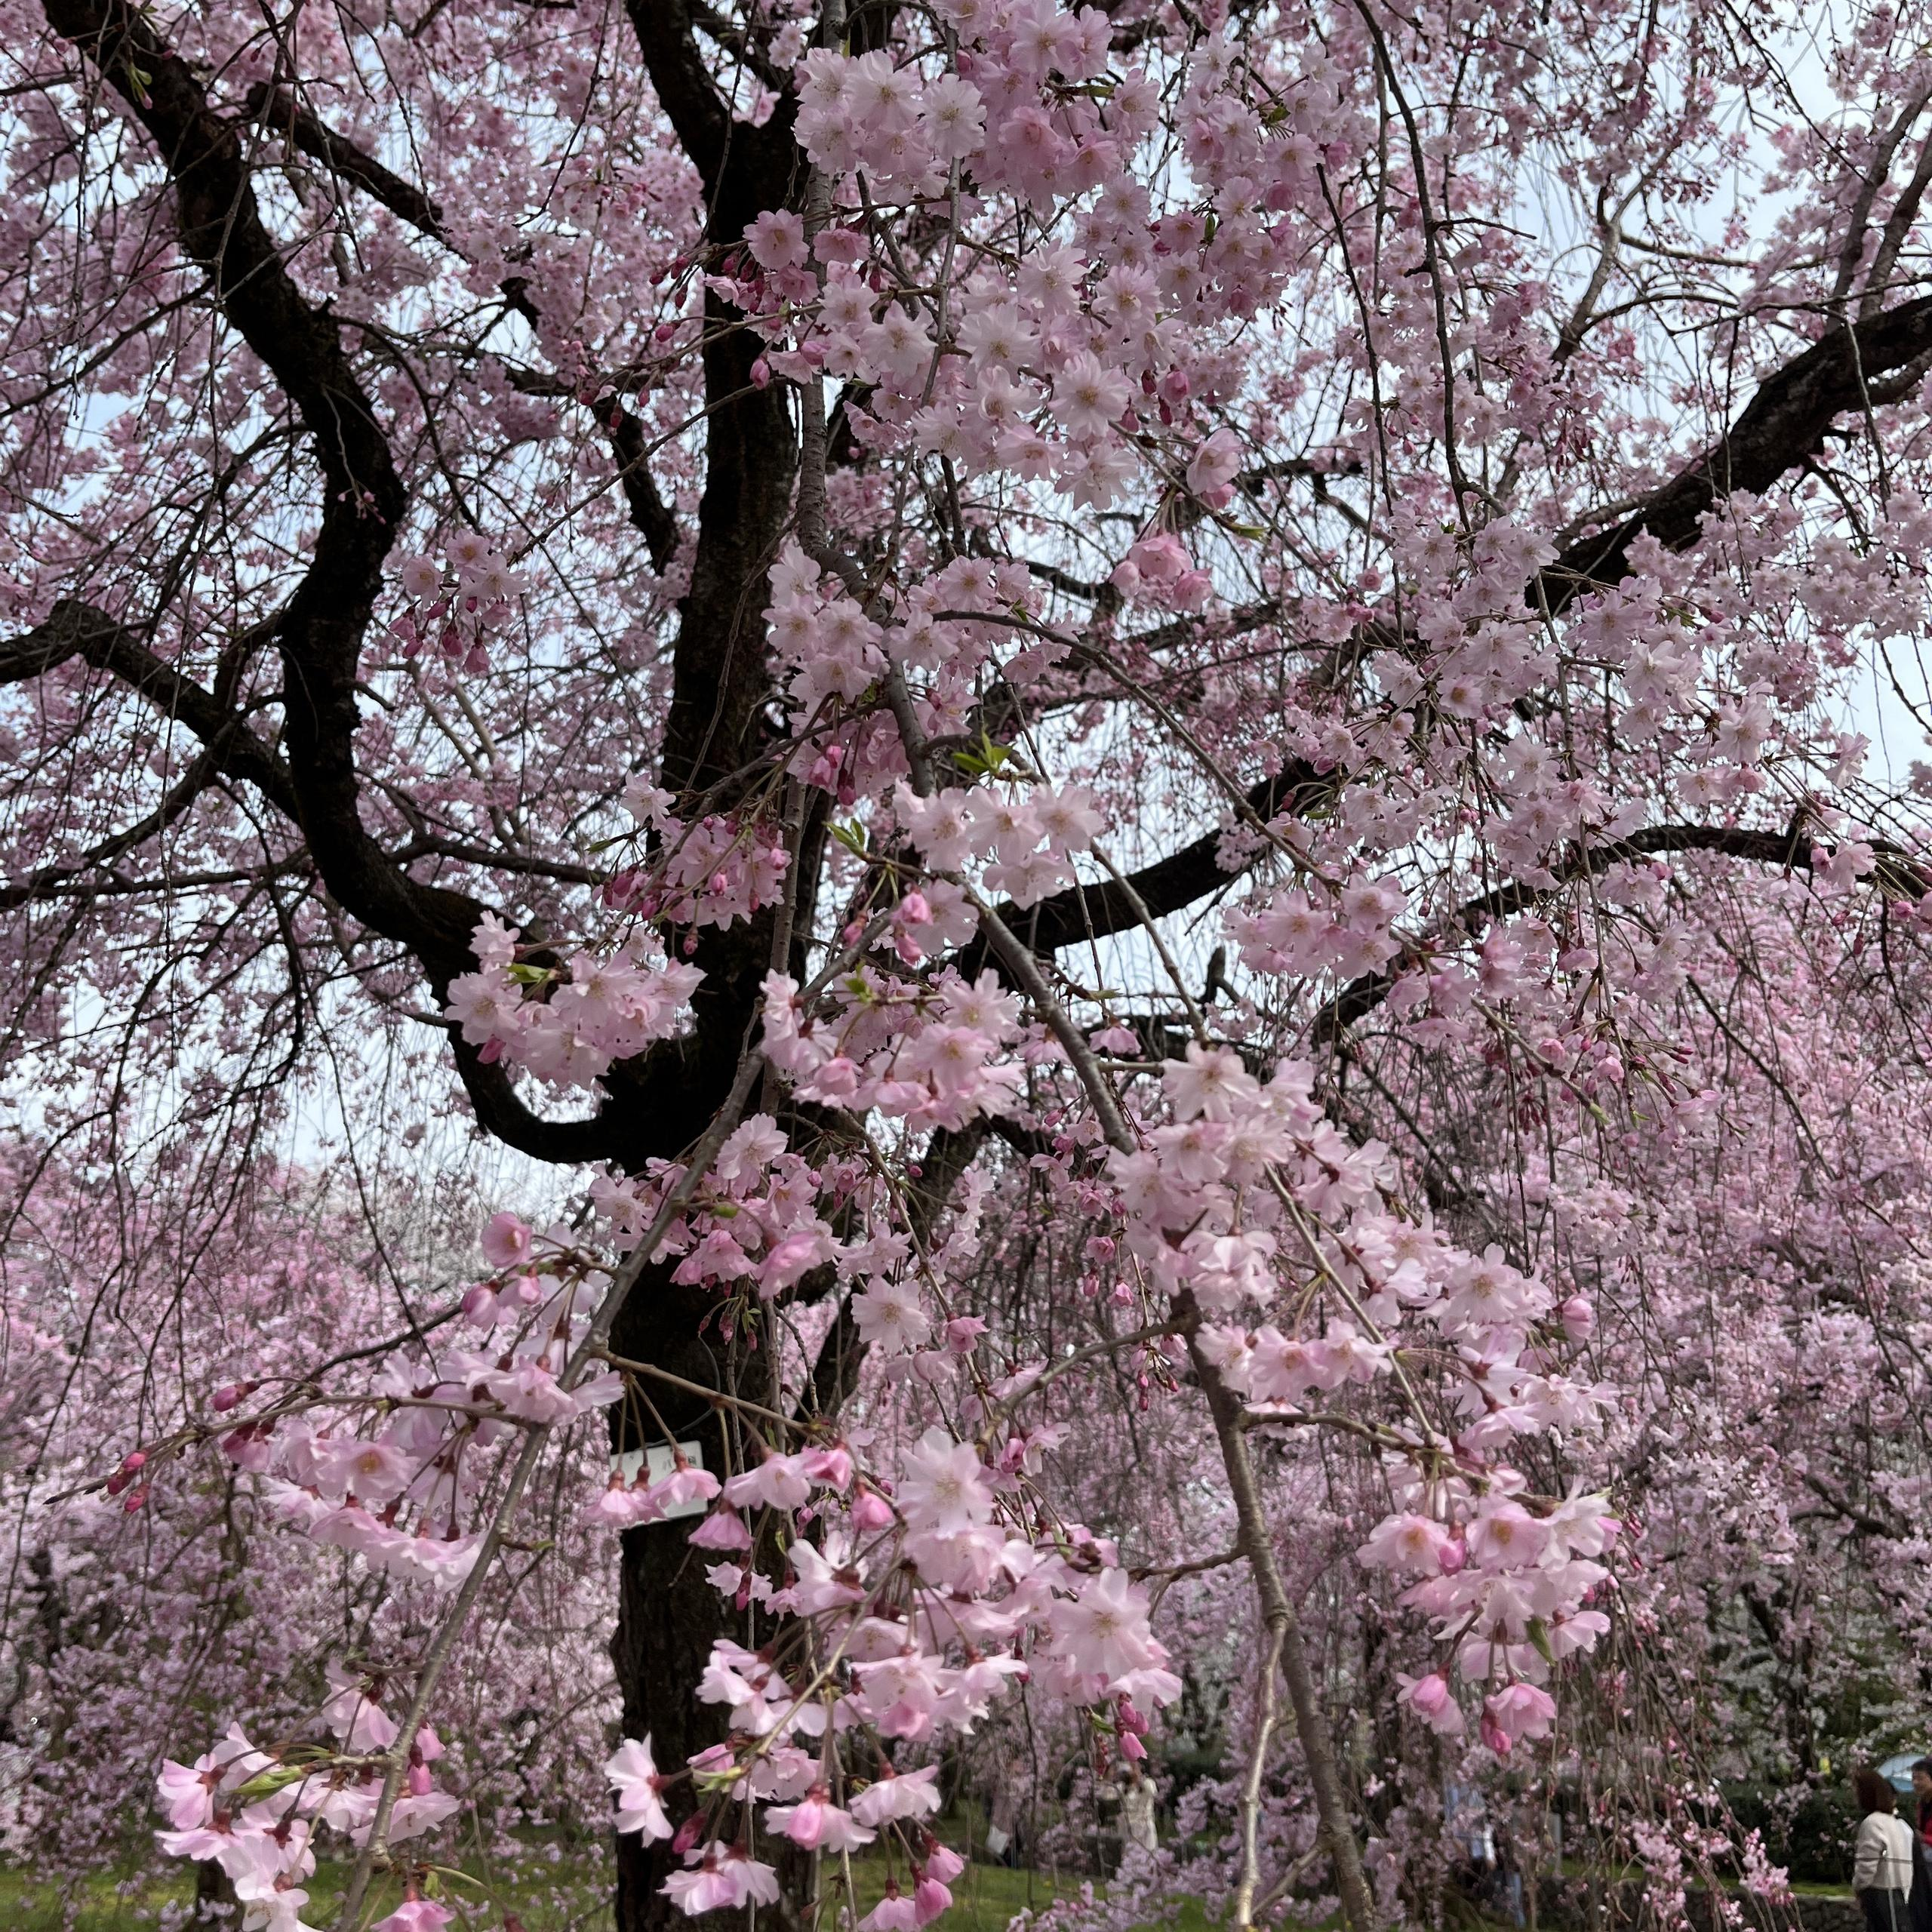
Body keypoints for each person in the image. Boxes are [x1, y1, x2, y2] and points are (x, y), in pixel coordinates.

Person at [1854, 1766, 1918, 1932]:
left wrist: (1858, 1888)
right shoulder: (1899, 1824)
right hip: (1902, 1892)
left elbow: (1866, 1867)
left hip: (1880, 1893)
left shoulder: (1873, 1823)